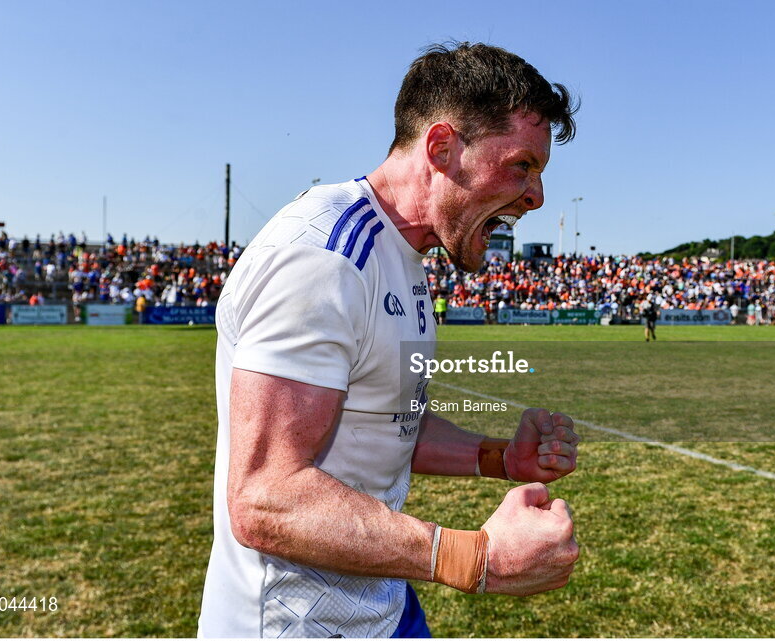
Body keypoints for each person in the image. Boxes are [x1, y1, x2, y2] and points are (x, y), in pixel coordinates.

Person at [199, 42, 581, 638]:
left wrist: (499, 457)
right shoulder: (323, 257)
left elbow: (388, 421)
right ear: (442, 148)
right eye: (522, 165)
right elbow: (267, 498)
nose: (536, 196)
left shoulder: (400, 255)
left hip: (380, 606)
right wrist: (474, 557)